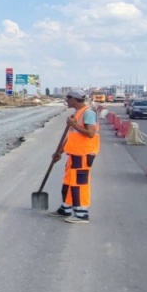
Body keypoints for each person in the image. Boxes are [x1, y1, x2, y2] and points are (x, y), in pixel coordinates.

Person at [49, 88, 100, 224]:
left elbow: (90, 133)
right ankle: (66, 208)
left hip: (83, 154)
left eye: (68, 98)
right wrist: (59, 152)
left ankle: (81, 213)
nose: (66, 100)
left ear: (73, 99)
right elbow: (72, 137)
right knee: (69, 182)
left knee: (79, 184)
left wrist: (74, 124)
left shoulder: (88, 113)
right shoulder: (77, 113)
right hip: (74, 153)